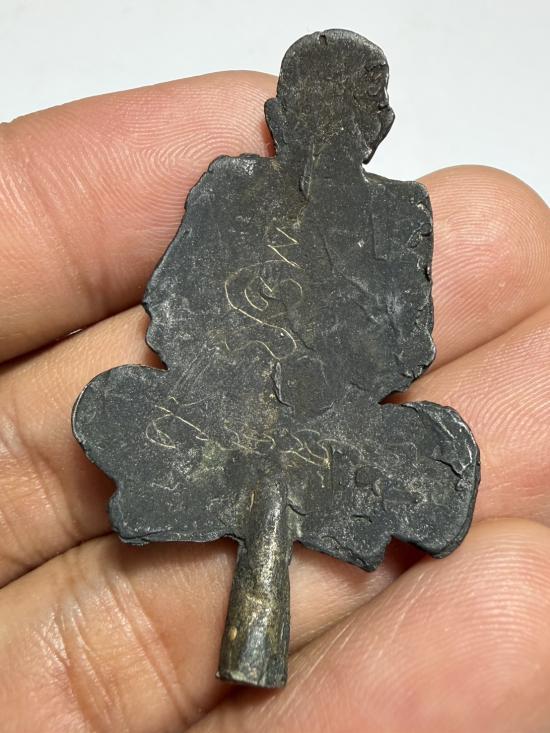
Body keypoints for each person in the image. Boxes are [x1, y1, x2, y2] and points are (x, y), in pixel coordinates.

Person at [0, 68, 548, 732]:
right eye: (315, 115)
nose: (328, 139)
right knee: (107, 406)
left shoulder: (400, 211)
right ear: (279, 117)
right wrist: (230, 365)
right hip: (218, 408)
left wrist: (329, 373)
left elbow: (408, 347)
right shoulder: (232, 185)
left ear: (376, 130)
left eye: (347, 121)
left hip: (333, 430)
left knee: (437, 466)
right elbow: (171, 307)